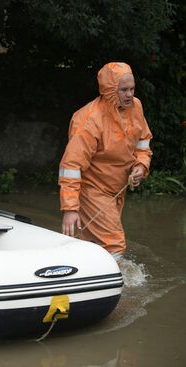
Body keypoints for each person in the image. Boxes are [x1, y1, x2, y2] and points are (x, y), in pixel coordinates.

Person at [59, 62, 152, 259]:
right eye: (124, 90)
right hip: (93, 189)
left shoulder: (136, 107)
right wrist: (70, 209)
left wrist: (141, 165)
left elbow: (143, 141)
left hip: (117, 189)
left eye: (132, 89)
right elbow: (71, 166)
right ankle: (117, 284)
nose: (130, 94)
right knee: (114, 242)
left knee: (94, 242)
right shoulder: (89, 120)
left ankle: (86, 276)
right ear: (110, 90)